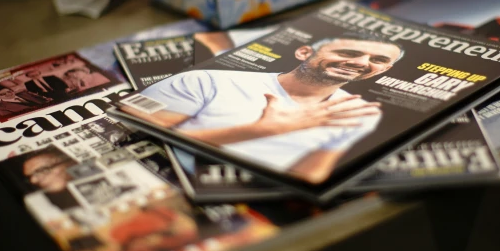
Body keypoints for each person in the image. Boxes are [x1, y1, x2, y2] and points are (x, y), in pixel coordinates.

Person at [122, 34, 403, 184]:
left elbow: (313, 174)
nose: (362, 62)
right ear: (304, 52)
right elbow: (141, 133)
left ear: (386, 69)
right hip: (168, 181)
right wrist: (262, 131)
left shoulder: (360, 112)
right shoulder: (207, 79)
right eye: (349, 53)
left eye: (377, 59)